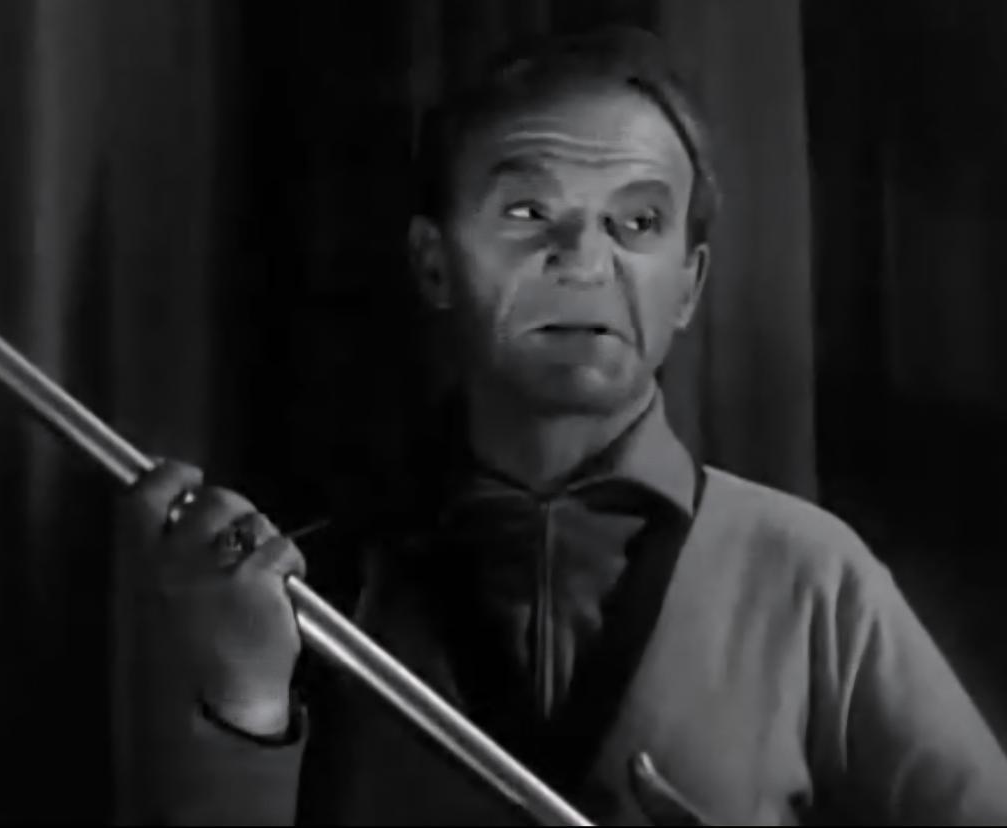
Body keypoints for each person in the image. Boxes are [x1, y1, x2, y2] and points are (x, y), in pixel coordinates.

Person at [125, 25, 1007, 825]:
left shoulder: (812, 577)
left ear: (689, 284)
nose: (583, 260)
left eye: (638, 221)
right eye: (527, 213)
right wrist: (240, 700)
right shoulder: (310, 585)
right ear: (433, 265)